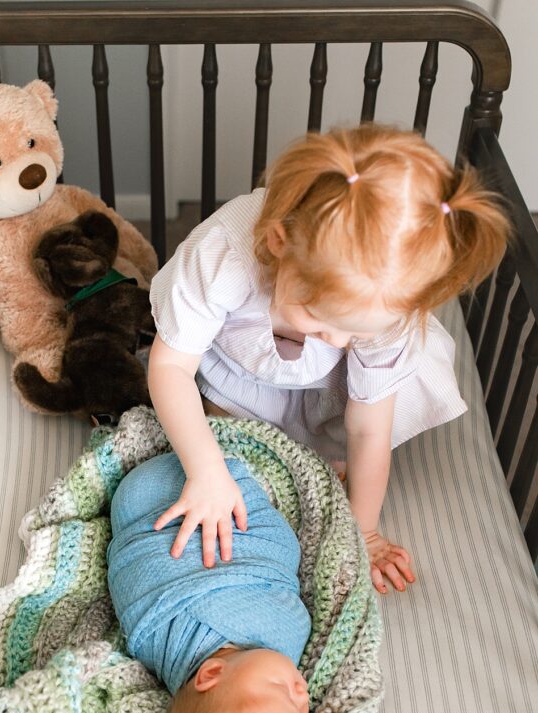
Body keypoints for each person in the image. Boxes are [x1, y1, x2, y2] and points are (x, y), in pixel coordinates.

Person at [147, 123, 510, 594]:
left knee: (359, 420)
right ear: (279, 243)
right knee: (214, 441)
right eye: (318, 317)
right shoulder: (223, 255)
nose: (337, 340)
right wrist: (206, 472)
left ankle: (320, 453)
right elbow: (172, 367)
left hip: (324, 390)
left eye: (355, 332)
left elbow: (368, 427)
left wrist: (363, 530)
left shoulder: (383, 315)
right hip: (236, 369)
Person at [106, 451, 312, 713]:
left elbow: (136, 582)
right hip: (159, 500)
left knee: (155, 500)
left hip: (149, 499)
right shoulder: (287, 640)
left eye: (282, 691)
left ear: (211, 673)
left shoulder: (157, 640)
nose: (302, 693)